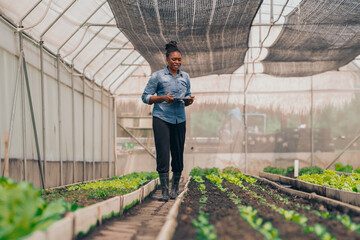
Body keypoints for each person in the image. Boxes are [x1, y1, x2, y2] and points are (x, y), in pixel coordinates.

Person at [141, 41, 195, 202]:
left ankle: (174, 189)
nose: (177, 62)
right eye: (174, 59)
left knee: (178, 154)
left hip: (180, 119)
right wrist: (162, 98)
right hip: (162, 118)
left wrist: (188, 101)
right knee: (163, 153)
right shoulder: (157, 76)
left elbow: (188, 93)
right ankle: (164, 191)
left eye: (179, 59)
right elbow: (145, 97)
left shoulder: (185, 77)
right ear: (167, 60)